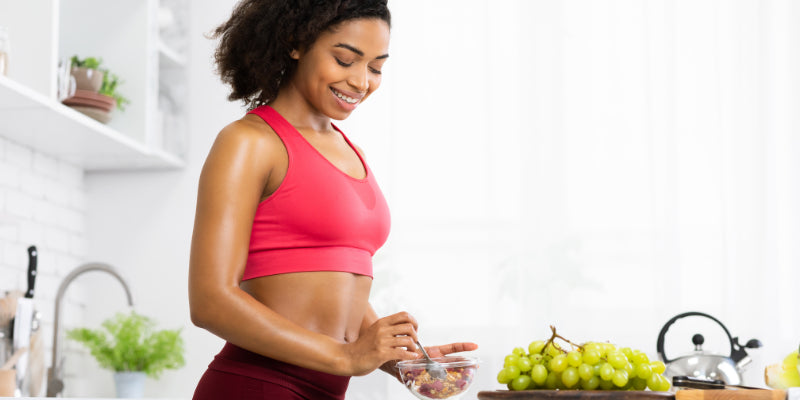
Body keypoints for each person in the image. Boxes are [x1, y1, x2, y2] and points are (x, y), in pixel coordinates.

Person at [188, 1, 478, 399]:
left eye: (376, 67)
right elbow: (210, 300)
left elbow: (335, 279)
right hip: (258, 387)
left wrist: (402, 361)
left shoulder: (349, 150)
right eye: (345, 60)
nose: (361, 82)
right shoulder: (249, 142)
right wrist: (344, 357)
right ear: (295, 43)